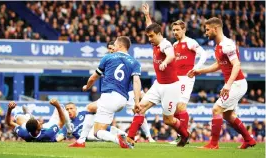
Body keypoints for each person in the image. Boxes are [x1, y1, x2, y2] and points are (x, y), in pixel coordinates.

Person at [188, 17, 256, 149]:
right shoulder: (218, 46)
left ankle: (213, 144)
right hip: (234, 83)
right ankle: (249, 140)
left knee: (216, 109)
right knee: (228, 115)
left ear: (216, 29)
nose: (206, 32)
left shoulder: (227, 45)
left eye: (207, 30)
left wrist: (228, 85)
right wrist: (200, 71)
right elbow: (219, 65)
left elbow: (236, 65)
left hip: (237, 83)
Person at [127, 4, 189, 147]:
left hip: (171, 87)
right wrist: (147, 15)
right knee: (140, 108)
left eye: (151, 36)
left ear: (159, 34)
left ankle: (185, 136)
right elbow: (151, 26)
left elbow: (171, 54)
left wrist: (165, 62)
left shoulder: (165, 44)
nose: (149, 39)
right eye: (148, 36)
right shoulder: (155, 41)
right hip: (158, 85)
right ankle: (130, 138)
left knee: (168, 120)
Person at [69, 36, 141, 148]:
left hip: (109, 97)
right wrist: (137, 102)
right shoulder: (135, 62)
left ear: (121, 45)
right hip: (122, 100)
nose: (113, 47)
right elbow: (136, 82)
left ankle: (118, 138)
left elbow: (93, 78)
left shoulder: (108, 57)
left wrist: (86, 86)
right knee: (90, 107)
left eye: (116, 45)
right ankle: (80, 141)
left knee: (97, 132)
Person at [169, 19, 208, 144]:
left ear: (184, 30)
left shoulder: (190, 42)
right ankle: (183, 135)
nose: (175, 32)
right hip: (175, 79)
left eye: (178, 30)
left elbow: (204, 54)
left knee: (181, 106)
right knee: (174, 111)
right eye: (173, 30)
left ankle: (183, 137)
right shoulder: (174, 45)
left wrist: (196, 68)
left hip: (187, 78)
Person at [5, 99, 72, 142]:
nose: (40, 122)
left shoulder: (24, 133)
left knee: (18, 118)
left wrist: (9, 109)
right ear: (37, 130)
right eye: (39, 123)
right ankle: (70, 130)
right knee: (61, 107)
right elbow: (62, 122)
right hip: (51, 132)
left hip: (34, 132)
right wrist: (57, 106)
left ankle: (28, 115)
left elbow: (9, 123)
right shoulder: (48, 133)